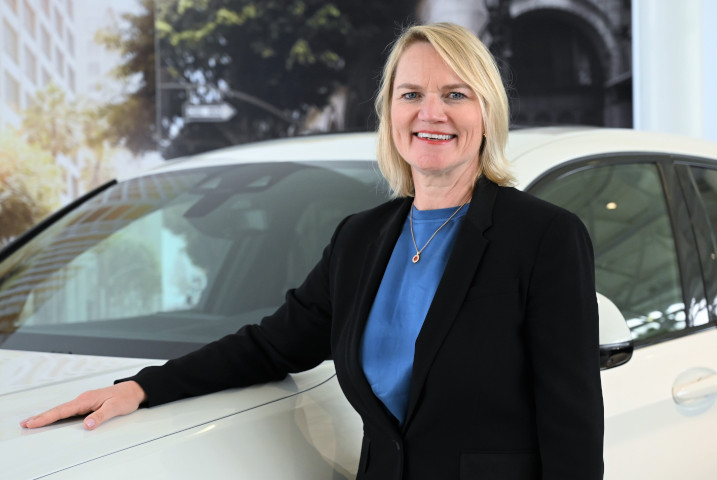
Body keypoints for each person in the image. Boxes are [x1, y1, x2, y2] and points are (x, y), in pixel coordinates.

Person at [21, 22, 603, 479]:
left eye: (456, 94)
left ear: (487, 113)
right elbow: (269, 346)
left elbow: (571, 426)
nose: (431, 112)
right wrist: (142, 388)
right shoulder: (361, 239)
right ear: (390, 114)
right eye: (411, 94)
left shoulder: (544, 237)